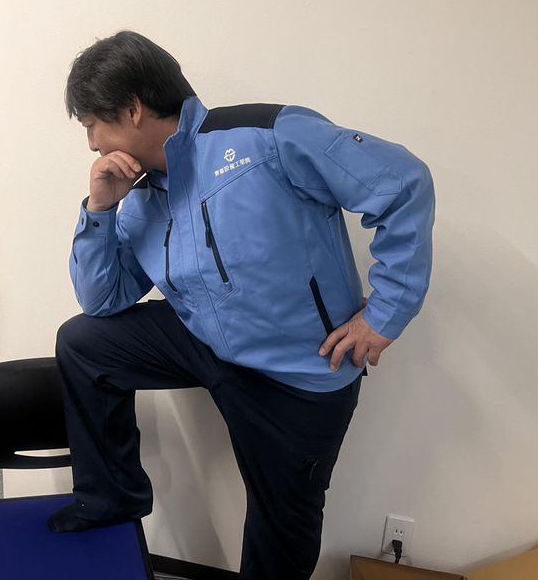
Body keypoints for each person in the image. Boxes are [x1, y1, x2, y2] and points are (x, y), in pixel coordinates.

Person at [50, 30, 435, 579]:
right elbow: (102, 301)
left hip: (297, 372)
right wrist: (99, 209)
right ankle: (111, 498)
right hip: (204, 342)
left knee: (280, 531)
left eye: (92, 125)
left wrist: (384, 315)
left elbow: (403, 183)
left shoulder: (269, 137)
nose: (91, 143)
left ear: (132, 110)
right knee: (84, 343)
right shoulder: (137, 198)